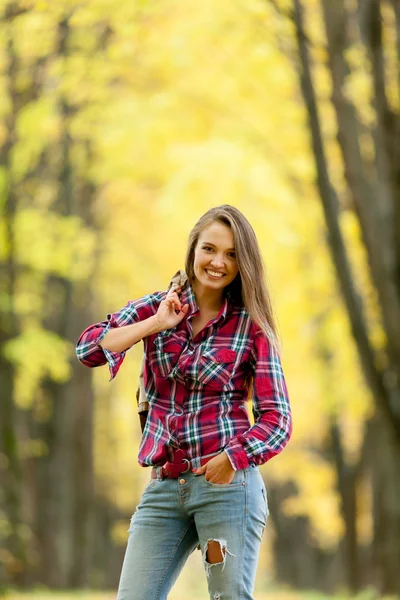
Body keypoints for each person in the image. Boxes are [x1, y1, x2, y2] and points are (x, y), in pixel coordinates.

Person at [76, 205, 292, 600]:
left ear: (243, 264)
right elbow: (89, 349)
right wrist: (157, 323)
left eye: (231, 255)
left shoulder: (251, 326)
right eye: (209, 249)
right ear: (193, 248)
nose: (218, 262)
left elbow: (277, 420)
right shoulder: (157, 308)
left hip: (227, 487)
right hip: (163, 487)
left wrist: (233, 459)